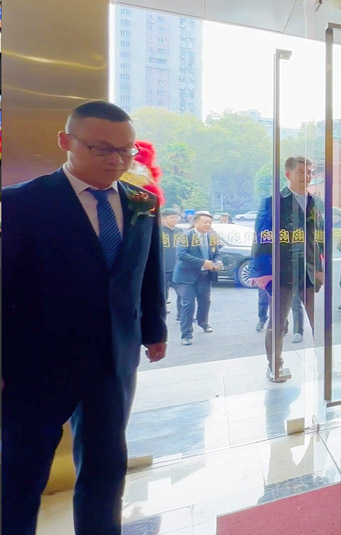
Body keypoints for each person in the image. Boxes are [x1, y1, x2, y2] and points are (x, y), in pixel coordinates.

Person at [2, 101, 168, 535]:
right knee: (20, 474)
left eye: (126, 150)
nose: (116, 159)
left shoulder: (143, 203)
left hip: (112, 361)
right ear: (66, 142)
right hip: (35, 364)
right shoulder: (19, 203)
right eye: (101, 148)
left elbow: (148, 273)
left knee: (106, 470)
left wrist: (154, 329)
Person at [250, 156, 325, 382]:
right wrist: (264, 272)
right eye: (301, 172)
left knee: (320, 321)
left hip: (309, 271)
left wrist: (321, 267)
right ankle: (275, 366)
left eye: (309, 172)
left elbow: (319, 237)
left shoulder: (315, 202)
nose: (307, 176)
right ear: (288, 174)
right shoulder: (273, 201)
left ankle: (325, 363)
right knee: (278, 323)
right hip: (282, 272)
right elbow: (262, 236)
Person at [173, 211, 222, 346]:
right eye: (205, 222)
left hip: (205, 276)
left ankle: (203, 323)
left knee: (205, 302)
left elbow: (217, 253)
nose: (208, 225)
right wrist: (203, 262)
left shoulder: (212, 236)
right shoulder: (185, 236)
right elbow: (182, 255)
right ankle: (186, 334)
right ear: (195, 222)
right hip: (186, 277)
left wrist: (218, 262)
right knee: (188, 305)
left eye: (210, 222)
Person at [160, 207, 184, 318]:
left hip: (177, 268)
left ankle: (182, 314)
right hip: (162, 268)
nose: (175, 219)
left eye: (177, 217)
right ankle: (161, 313)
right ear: (164, 218)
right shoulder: (158, 231)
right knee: (162, 294)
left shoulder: (180, 232)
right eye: (173, 217)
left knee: (182, 292)